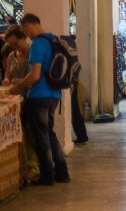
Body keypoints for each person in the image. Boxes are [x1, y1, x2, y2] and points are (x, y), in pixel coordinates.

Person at [9, 14, 70, 186]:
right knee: (50, 134)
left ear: (28, 24)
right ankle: (62, 172)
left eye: (24, 30)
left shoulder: (37, 43)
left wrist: (18, 86)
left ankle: (47, 175)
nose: (25, 34)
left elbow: (35, 75)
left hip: (39, 96)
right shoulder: (52, 39)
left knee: (41, 137)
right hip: (54, 95)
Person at [2, 25, 40, 182]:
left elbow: (35, 76)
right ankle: (25, 166)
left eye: (16, 44)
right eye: (11, 45)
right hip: (16, 99)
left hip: (31, 98)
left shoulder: (32, 53)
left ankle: (35, 166)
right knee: (22, 134)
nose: (14, 47)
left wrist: (21, 82)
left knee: (32, 134)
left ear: (23, 39)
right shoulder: (12, 56)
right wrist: (6, 80)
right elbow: (8, 74)